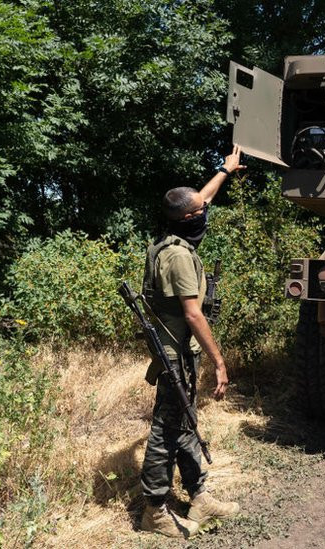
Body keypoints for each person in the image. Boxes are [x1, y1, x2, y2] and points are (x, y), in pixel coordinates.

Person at [138, 145, 246, 538]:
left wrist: (225, 170)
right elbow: (193, 314)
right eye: (200, 211)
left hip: (180, 350)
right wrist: (220, 361)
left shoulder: (173, 237)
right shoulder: (179, 257)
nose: (206, 212)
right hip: (175, 353)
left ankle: (199, 495)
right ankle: (153, 510)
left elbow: (203, 199)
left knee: (185, 420)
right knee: (166, 430)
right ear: (187, 218)